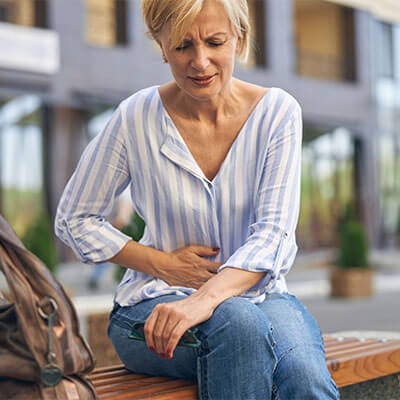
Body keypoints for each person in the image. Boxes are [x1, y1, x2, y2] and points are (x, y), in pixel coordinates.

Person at [55, 0, 339, 398]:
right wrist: (162, 264)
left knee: (304, 377)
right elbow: (74, 217)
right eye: (182, 46)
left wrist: (203, 299)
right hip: (150, 306)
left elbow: (274, 236)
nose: (200, 62)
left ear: (239, 38)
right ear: (161, 44)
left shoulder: (277, 114)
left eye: (214, 42)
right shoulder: (134, 118)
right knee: (239, 328)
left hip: (262, 297)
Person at [87, 185, 134, 290]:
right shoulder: (128, 191)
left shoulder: (122, 190)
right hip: (120, 232)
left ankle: (95, 279)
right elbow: (122, 219)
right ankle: (95, 279)